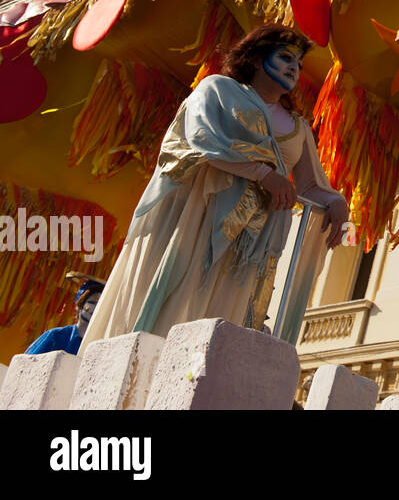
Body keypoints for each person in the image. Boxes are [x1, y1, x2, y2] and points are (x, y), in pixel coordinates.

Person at [82, 24, 349, 347]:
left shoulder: (299, 127)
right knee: (173, 302)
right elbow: (198, 140)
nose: (294, 67)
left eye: (299, 62)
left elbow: (308, 185)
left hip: (248, 246)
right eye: (285, 57)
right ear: (255, 57)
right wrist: (261, 173)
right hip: (197, 220)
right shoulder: (217, 90)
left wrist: (336, 202)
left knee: (219, 324)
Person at [23, 277, 104, 355]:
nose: (97, 308)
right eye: (92, 302)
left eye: (101, 305)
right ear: (79, 306)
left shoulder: (100, 345)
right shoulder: (56, 336)